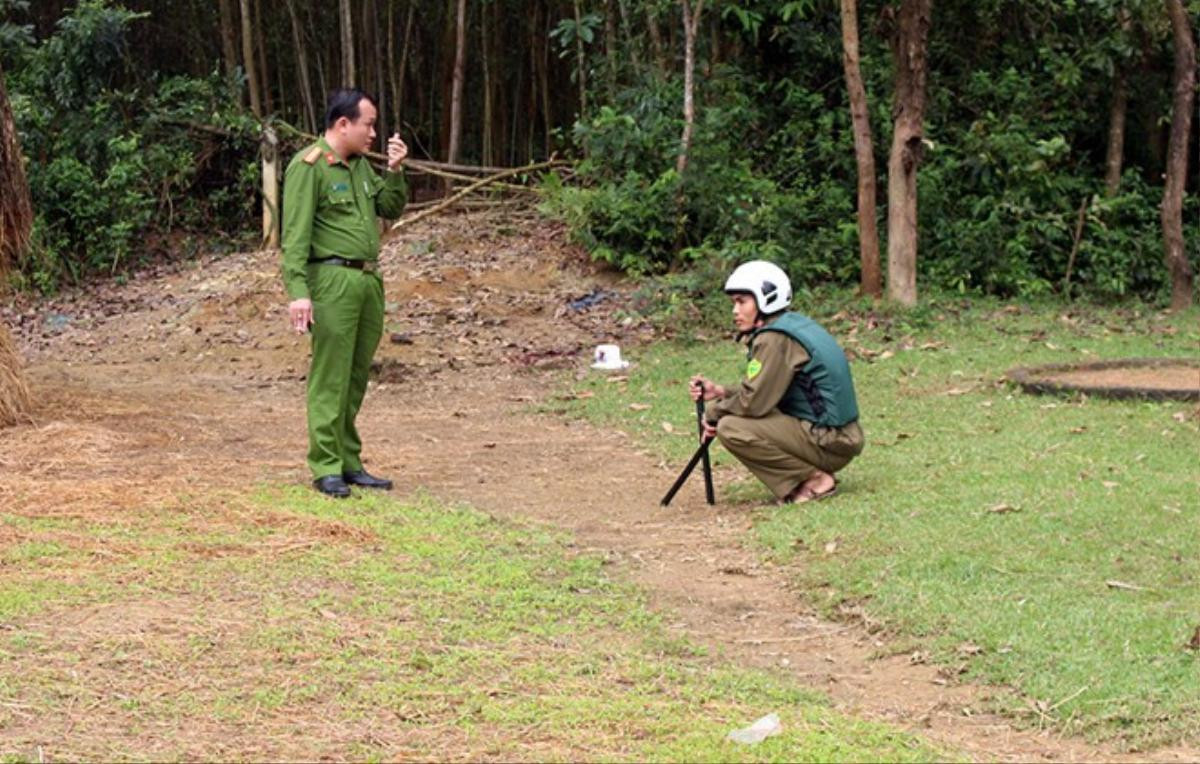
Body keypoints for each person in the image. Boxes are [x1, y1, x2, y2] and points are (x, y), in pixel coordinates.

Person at [281, 88, 408, 497]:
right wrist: (298, 292)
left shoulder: (359, 168)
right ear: (343, 124)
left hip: (368, 282)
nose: (373, 133)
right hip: (332, 281)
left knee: (354, 377)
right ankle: (325, 465)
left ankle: (349, 461)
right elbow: (294, 237)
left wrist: (395, 169)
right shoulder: (310, 166)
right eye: (368, 124)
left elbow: (389, 207)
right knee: (330, 377)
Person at [690, 261, 864, 504]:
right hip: (839, 436)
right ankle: (810, 475)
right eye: (734, 303)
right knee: (733, 419)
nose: (735, 311)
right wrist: (721, 391)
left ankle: (815, 480)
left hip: (829, 442)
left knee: (731, 427)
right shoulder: (791, 325)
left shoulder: (774, 339)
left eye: (742, 301)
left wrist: (713, 413)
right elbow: (769, 390)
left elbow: (754, 404)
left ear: (766, 298)